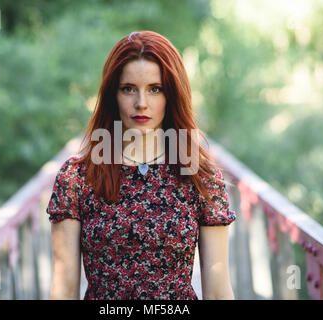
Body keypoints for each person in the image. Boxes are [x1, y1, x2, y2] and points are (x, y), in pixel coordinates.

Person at [46, 30, 237, 300]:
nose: (141, 103)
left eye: (155, 89)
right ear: (113, 94)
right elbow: (64, 288)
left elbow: (218, 290)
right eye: (128, 89)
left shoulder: (200, 177)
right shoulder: (76, 178)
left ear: (172, 94)